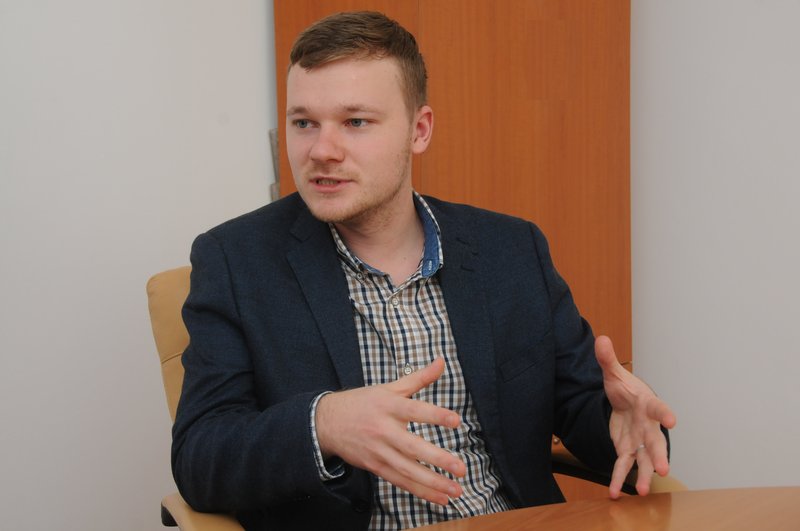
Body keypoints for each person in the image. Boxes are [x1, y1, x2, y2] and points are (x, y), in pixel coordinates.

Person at [172, 11, 676, 531]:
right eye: (304, 123)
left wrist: (622, 423)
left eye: (355, 122)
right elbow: (199, 457)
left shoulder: (510, 250)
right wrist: (323, 423)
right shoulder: (235, 261)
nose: (321, 150)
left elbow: (587, 409)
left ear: (419, 130)